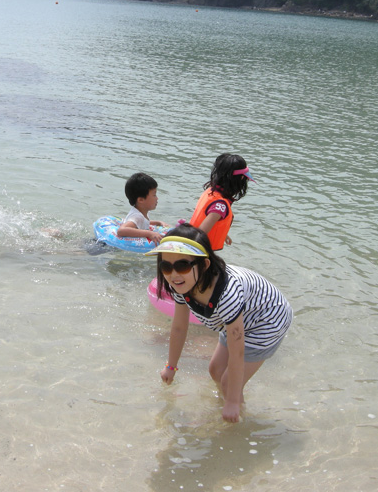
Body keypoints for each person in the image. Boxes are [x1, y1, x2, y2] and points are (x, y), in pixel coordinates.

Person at [147, 224, 292, 423]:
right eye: (166, 267)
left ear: (204, 265)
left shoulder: (227, 295)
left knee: (228, 383)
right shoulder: (180, 285)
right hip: (240, 315)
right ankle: (226, 405)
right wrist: (170, 367)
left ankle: (238, 418)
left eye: (182, 266)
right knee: (215, 370)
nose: (173, 274)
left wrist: (232, 401)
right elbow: (179, 328)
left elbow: (237, 352)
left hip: (267, 318)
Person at [188, 153, 254, 250]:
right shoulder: (220, 205)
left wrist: (223, 234)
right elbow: (201, 233)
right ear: (241, 179)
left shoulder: (211, 191)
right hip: (199, 249)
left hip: (193, 244)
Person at [117, 172, 169, 244]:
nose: (157, 198)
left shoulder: (141, 213)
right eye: (154, 195)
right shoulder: (137, 216)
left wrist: (158, 222)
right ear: (141, 200)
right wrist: (149, 233)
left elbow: (143, 222)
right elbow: (121, 230)